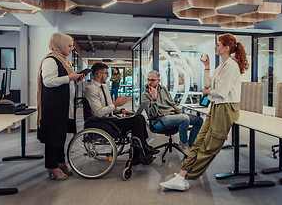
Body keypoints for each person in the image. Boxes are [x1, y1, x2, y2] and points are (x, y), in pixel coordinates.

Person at [159, 33, 249, 191]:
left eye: (218, 44)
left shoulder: (231, 65)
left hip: (226, 108)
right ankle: (182, 175)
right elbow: (208, 83)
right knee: (199, 142)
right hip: (217, 107)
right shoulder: (223, 65)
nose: (215, 47)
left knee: (210, 147)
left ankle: (186, 176)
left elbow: (220, 92)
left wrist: (207, 92)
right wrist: (206, 66)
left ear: (226, 48)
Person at [84, 62, 157, 165]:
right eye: (106, 73)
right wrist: (115, 104)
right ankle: (140, 152)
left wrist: (121, 110)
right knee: (137, 120)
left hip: (110, 120)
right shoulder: (91, 89)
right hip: (102, 122)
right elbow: (99, 112)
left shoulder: (104, 87)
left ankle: (143, 148)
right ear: (99, 74)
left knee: (139, 117)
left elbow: (109, 107)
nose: (108, 76)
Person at [37, 33, 86, 181]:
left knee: (60, 136)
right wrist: (70, 77)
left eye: (72, 46)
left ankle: (60, 162)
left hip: (63, 105)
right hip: (54, 106)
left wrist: (76, 79)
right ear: (59, 44)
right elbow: (49, 82)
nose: (71, 48)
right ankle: (52, 166)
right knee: (53, 137)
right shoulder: (51, 60)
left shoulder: (64, 61)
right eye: (69, 45)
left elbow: (64, 83)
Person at [142, 70, 204, 155]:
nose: (150, 82)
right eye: (148, 79)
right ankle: (183, 144)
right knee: (184, 119)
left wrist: (179, 112)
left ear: (158, 81)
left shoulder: (163, 89)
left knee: (199, 120)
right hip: (159, 120)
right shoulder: (145, 94)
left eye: (152, 80)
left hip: (172, 115)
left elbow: (172, 103)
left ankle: (190, 144)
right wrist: (154, 98)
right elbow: (152, 114)